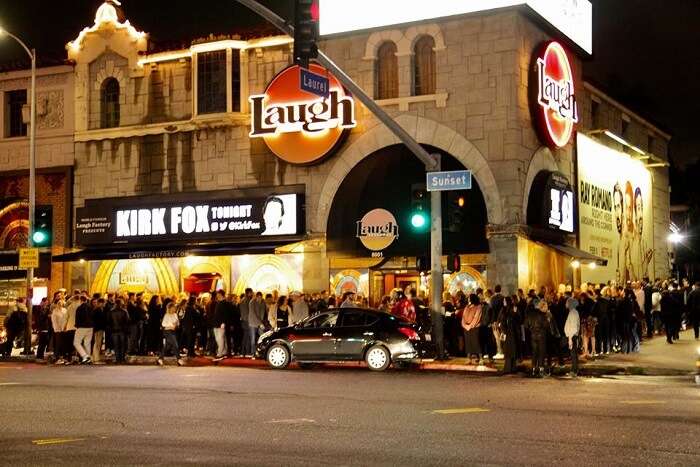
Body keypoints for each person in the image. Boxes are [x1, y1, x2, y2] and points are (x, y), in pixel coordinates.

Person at [526, 298, 549, 377]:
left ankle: (533, 370)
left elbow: (526, 325)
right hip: (541, 335)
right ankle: (541, 370)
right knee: (541, 353)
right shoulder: (542, 314)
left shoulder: (530, 314)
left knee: (534, 353)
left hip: (533, 335)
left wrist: (531, 329)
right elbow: (546, 325)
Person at [158, 302, 184, 366]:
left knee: (167, 346)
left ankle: (160, 358)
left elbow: (177, 323)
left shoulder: (175, 315)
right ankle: (179, 359)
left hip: (173, 332)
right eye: (172, 308)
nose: (174, 309)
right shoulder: (166, 315)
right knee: (175, 344)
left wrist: (176, 324)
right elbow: (163, 324)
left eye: (174, 308)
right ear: (169, 308)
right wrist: (171, 326)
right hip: (167, 331)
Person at [497, 296, 518, 374]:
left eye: (504, 301)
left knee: (509, 350)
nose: (503, 302)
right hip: (510, 332)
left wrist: (503, 331)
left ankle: (509, 368)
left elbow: (504, 321)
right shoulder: (506, 309)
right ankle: (511, 367)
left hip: (509, 333)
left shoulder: (508, 310)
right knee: (510, 350)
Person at [461, 294, 483, 365]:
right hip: (466, 328)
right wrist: (464, 325)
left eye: (469, 298)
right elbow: (463, 317)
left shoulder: (478, 307)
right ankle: (468, 358)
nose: (468, 299)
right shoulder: (467, 307)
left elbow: (477, 318)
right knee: (468, 343)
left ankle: (480, 358)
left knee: (476, 343)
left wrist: (470, 326)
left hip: (474, 328)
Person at [73, 296, 93, 364]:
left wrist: (77, 325)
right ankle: (89, 358)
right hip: (90, 327)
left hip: (82, 327)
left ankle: (85, 356)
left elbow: (77, 318)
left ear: (80, 300)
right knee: (87, 343)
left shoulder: (79, 308)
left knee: (76, 343)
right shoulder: (90, 307)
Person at [564, 295, 581, 377]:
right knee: (574, 354)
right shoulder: (573, 312)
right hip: (572, 335)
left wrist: (570, 338)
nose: (566, 304)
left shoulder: (573, 313)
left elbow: (573, 327)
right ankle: (575, 369)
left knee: (573, 354)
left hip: (572, 336)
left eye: (567, 302)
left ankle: (574, 370)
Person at [110, 297, 130, 364]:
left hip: (114, 330)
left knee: (116, 345)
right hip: (122, 331)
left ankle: (117, 359)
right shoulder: (124, 311)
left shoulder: (111, 312)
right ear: (121, 304)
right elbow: (127, 321)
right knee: (123, 345)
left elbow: (109, 321)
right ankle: (122, 359)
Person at [50, 299, 68, 364]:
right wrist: (57, 329)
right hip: (58, 330)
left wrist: (65, 327)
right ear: (56, 304)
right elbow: (54, 321)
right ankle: (57, 357)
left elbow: (66, 318)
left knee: (64, 343)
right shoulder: (55, 311)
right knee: (58, 343)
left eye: (61, 302)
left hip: (65, 329)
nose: (60, 304)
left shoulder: (65, 310)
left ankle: (63, 356)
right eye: (58, 303)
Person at [213, 290, 228, 361]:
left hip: (220, 324)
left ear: (221, 294)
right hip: (216, 323)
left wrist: (223, 323)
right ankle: (224, 351)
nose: (217, 295)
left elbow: (225, 314)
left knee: (220, 339)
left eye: (218, 294)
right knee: (220, 339)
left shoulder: (224, 303)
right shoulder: (219, 302)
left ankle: (220, 353)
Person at [92, 298, 107, 364]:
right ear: (101, 303)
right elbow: (97, 320)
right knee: (97, 344)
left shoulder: (99, 309)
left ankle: (96, 358)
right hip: (98, 329)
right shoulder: (97, 310)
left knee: (98, 343)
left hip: (99, 329)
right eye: (104, 303)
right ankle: (96, 358)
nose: (104, 304)